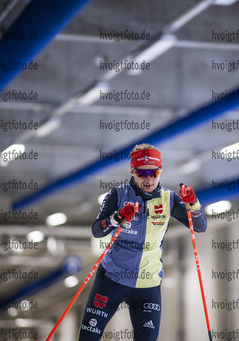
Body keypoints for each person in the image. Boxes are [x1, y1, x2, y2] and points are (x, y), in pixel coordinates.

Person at [78, 143, 207, 340]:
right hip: (112, 277)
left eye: (153, 173)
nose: (148, 179)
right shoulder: (117, 195)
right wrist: (117, 217)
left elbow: (200, 226)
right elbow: (97, 231)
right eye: (142, 173)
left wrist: (194, 205)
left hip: (148, 284)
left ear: (160, 172)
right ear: (132, 170)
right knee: (88, 337)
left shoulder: (169, 199)